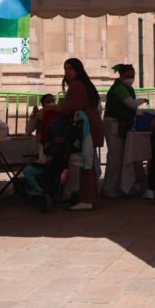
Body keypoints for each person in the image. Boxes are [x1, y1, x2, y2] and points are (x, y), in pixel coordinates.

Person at [58, 58, 104, 210]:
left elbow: (71, 107)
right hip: (88, 126)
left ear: (77, 70)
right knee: (88, 163)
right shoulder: (82, 83)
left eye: (70, 68)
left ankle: (88, 199)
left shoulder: (77, 85)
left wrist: (50, 109)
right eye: (65, 69)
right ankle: (88, 198)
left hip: (85, 128)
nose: (67, 72)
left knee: (86, 164)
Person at [102, 64, 148, 198]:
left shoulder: (124, 87)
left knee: (120, 158)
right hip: (114, 125)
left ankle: (119, 187)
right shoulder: (120, 89)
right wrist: (143, 100)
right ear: (121, 76)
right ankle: (109, 189)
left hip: (119, 125)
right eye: (128, 76)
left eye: (132, 76)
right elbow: (131, 104)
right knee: (115, 159)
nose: (131, 78)